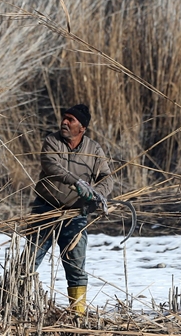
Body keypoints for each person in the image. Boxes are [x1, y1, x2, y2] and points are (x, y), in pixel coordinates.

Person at [29, 103, 114, 314]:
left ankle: (78, 314)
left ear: (82, 128)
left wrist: (98, 193)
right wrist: (78, 182)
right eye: (64, 118)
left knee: (75, 266)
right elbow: (52, 166)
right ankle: (12, 304)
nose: (64, 122)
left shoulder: (94, 149)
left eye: (71, 120)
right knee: (29, 262)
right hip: (45, 210)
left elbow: (107, 177)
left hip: (75, 213)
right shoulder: (52, 141)